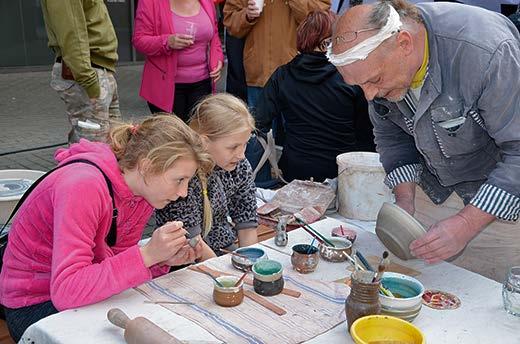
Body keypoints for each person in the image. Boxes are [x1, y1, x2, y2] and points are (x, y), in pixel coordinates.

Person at [329, 0, 520, 282]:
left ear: (404, 44)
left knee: (491, 303)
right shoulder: (380, 65)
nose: (368, 95)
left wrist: (466, 223)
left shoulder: (486, 51)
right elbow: (391, 135)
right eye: (360, 86)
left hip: (498, 203)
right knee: (425, 291)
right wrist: (405, 201)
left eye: (374, 80)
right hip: (435, 191)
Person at [0, 116, 213, 341]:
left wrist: (160, 260)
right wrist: (147, 255)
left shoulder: (141, 193)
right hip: (33, 302)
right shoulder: (83, 186)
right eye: (179, 179)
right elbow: (66, 291)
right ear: (147, 165)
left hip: (80, 294)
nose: (184, 192)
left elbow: (113, 260)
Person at [255, 11, 375, 183]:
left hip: (295, 171)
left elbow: (259, 121)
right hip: (342, 173)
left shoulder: (282, 76)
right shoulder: (350, 76)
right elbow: (367, 135)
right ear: (329, 42)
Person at [156, 94, 258, 258]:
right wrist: (226, 280)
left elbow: (247, 222)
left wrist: (252, 262)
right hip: (183, 258)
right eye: (233, 147)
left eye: (245, 143)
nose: (241, 154)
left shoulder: (239, 166)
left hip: (223, 250)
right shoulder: (183, 174)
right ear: (204, 142)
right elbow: (193, 242)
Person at [223, 0, 331, 109]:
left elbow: (320, 21)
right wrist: (247, 15)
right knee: (259, 124)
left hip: (297, 75)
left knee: (292, 125)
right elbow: (230, 20)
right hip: (258, 75)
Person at [41, 0, 122, 144]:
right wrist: (90, 82)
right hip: (89, 71)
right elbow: (72, 35)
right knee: (93, 148)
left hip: (98, 69)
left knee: (113, 144)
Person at [133, 0, 224, 122]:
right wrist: (167, 41)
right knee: (174, 137)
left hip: (203, 83)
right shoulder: (150, 2)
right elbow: (139, 40)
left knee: (197, 136)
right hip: (166, 87)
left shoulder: (206, 2)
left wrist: (218, 58)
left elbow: (214, 36)